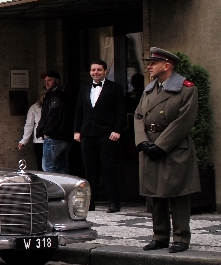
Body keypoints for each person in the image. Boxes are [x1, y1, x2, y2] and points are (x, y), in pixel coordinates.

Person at [135, 48, 200, 254]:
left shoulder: (186, 89)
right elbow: (138, 116)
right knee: (156, 193)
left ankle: (181, 237)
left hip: (173, 147)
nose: (149, 66)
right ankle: (160, 236)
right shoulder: (149, 89)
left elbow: (184, 121)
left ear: (167, 65)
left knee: (178, 193)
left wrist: (161, 146)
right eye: (149, 63)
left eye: (153, 63)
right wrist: (142, 142)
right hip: (150, 145)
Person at [74, 60, 126, 213]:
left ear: (105, 71)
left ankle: (114, 202)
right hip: (87, 133)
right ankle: (90, 202)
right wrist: (77, 130)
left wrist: (118, 130)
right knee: (89, 169)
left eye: (99, 70)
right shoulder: (84, 87)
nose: (95, 72)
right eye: (93, 70)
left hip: (106, 133)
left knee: (108, 167)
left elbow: (121, 111)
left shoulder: (114, 88)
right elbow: (79, 111)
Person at [36, 71, 74, 174]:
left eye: (49, 80)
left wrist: (47, 131)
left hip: (55, 136)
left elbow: (52, 114)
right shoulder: (66, 94)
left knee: (48, 166)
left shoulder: (55, 95)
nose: (46, 83)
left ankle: (52, 190)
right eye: (45, 81)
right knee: (62, 166)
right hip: (66, 136)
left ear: (57, 81)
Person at [18, 91, 45, 170]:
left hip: (52, 139)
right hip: (39, 140)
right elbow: (29, 124)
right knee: (41, 164)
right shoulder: (35, 107)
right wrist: (24, 140)